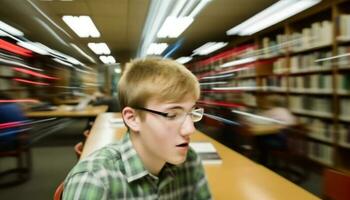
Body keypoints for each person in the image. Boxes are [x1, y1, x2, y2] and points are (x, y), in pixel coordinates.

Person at [63, 57, 212, 199]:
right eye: (172, 115)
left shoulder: (190, 161)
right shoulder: (94, 180)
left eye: (192, 112)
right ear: (132, 119)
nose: (190, 129)